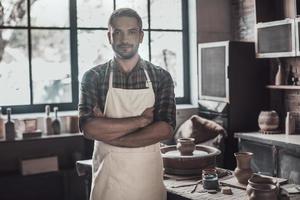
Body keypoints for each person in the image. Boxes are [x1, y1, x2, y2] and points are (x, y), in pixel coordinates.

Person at [78, 8, 176, 200]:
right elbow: (89, 128)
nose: (124, 40)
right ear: (109, 36)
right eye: (117, 32)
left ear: (141, 36)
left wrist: (110, 136)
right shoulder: (94, 77)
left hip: (148, 184)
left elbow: (165, 129)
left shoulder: (160, 77)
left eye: (131, 32)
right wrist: (141, 121)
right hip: (108, 185)